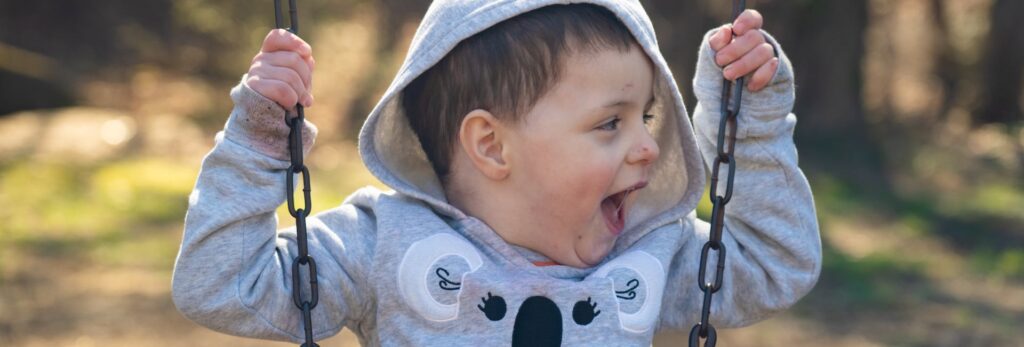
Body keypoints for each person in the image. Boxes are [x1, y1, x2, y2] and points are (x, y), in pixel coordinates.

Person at [172, 1, 821, 345]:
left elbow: (775, 263)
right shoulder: (382, 245)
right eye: (609, 123)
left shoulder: (648, 249)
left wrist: (751, 123)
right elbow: (221, 284)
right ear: (491, 145)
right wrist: (258, 139)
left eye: (646, 117)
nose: (648, 148)